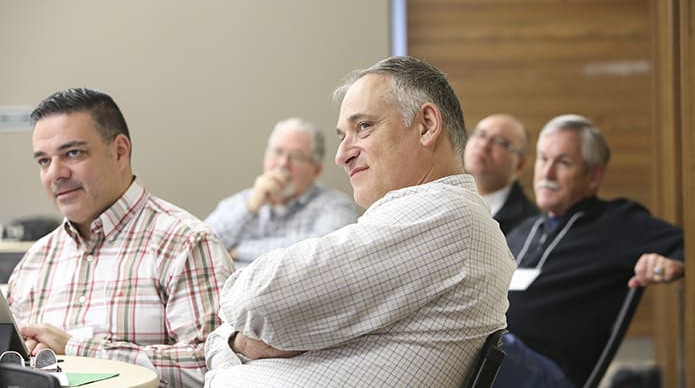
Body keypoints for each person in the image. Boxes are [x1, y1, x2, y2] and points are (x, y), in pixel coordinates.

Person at [204, 56, 516, 387]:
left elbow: (256, 298)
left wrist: (232, 342)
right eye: (342, 135)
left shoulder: (442, 214)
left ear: (426, 125)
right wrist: (236, 343)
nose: (342, 154)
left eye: (363, 127)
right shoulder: (438, 215)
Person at [7, 88, 235, 388]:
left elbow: (216, 364)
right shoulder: (35, 262)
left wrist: (78, 349)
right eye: (44, 161)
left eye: (72, 153)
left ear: (120, 151)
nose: (56, 174)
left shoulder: (186, 244)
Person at [495, 114, 684, 388]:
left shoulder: (617, 222)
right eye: (544, 159)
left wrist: (672, 264)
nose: (547, 173)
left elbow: (684, 244)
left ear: (593, 176)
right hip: (499, 354)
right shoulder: (523, 229)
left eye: (563, 163)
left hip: (547, 371)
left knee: (472, 342)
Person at [204, 117, 359, 269]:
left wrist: (241, 250)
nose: (283, 163)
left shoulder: (335, 205)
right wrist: (251, 206)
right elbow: (201, 246)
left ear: (316, 170)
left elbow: (323, 253)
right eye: (277, 152)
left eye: (296, 157)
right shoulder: (242, 201)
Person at [464, 113, 539, 234]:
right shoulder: (441, 193)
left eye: (500, 141)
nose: (483, 145)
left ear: (519, 164)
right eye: (479, 135)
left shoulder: (531, 224)